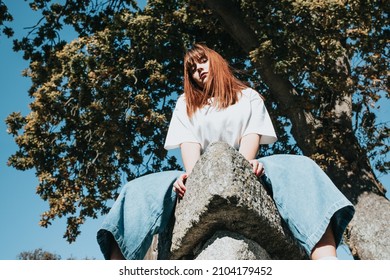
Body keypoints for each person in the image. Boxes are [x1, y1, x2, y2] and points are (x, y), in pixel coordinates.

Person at [97, 43, 355, 260]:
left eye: (202, 62)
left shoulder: (248, 96)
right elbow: (190, 148)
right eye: (192, 69)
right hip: (199, 169)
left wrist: (245, 166)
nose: (198, 69)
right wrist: (191, 178)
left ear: (216, 62)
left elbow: (250, 137)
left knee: (301, 167)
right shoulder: (185, 103)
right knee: (136, 189)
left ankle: (326, 261)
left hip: (248, 162)